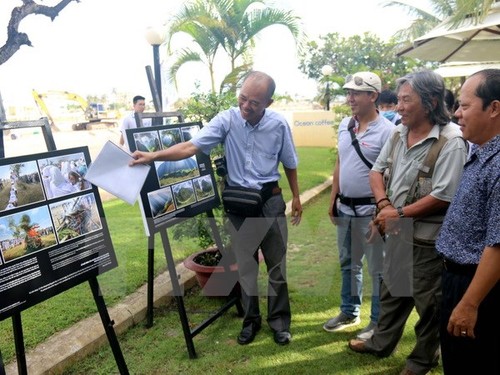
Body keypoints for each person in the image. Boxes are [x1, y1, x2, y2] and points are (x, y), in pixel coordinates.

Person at [129, 71, 303, 346]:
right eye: (243, 98)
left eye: (254, 103)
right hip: (238, 205)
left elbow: (290, 162)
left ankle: (280, 323)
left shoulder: (279, 124)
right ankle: (250, 320)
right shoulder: (227, 120)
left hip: (269, 201)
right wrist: (153, 155)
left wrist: (296, 198)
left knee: (276, 267)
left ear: (268, 102)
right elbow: (190, 147)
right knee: (245, 268)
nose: (246, 106)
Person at [348, 70, 468, 375]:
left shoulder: (450, 141)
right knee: (392, 291)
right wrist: (385, 207)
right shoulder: (398, 132)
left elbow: (444, 196)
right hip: (398, 231)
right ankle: (381, 342)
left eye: (405, 100)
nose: (398, 107)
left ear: (428, 102)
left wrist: (397, 215)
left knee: (429, 305)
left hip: (428, 239)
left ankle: (422, 360)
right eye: (399, 99)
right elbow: (377, 172)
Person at [435, 69, 500, 374]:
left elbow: (498, 245)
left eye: (464, 106)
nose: (456, 114)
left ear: (494, 108)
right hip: (457, 279)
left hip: (478, 287)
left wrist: (469, 304)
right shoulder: (480, 151)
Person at [324, 72, 393, 340]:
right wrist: (333, 198)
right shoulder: (345, 124)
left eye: (356, 93)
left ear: (373, 96)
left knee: (377, 269)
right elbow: (341, 161)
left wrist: (382, 212)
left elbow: (391, 174)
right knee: (348, 263)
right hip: (345, 208)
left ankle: (377, 321)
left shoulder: (388, 132)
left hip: (370, 212)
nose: (350, 98)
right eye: (348, 92)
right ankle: (349, 311)